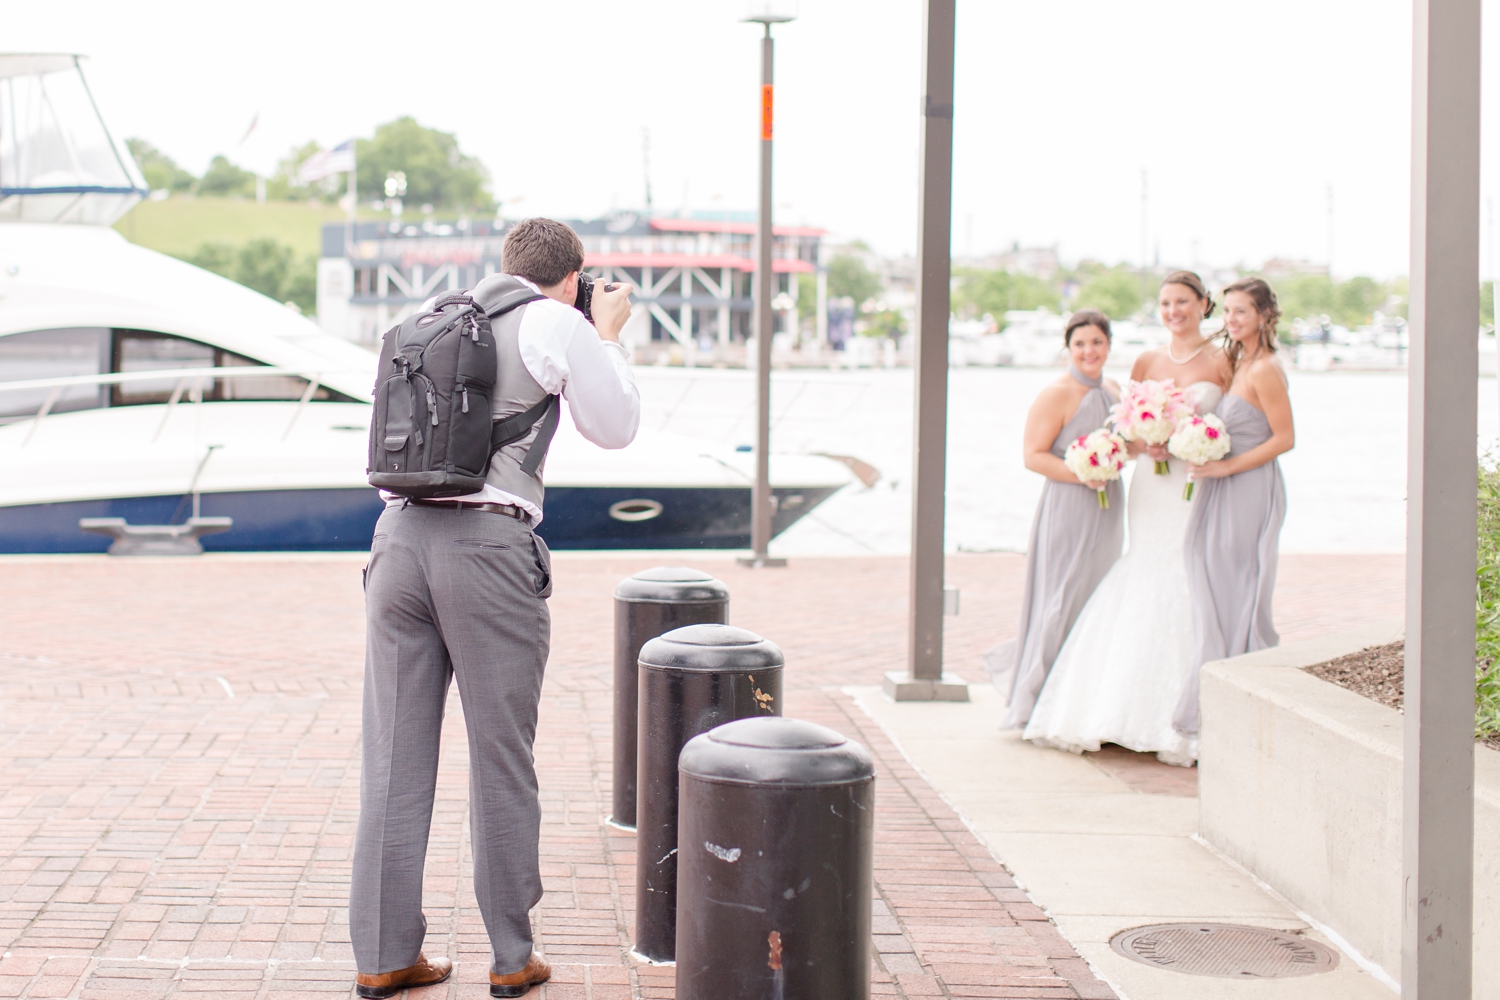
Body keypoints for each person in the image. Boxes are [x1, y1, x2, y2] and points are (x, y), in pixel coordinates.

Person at [350, 219, 639, 999]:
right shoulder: (554, 323)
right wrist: (606, 337)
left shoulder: (434, 317)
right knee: (500, 757)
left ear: (506, 265)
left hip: (398, 542)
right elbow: (614, 428)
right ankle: (512, 956)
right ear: (574, 275)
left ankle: (382, 954)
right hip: (487, 549)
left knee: (392, 759)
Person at [1015, 271, 1227, 766]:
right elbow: (1129, 427)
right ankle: (1111, 707)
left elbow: (1229, 421)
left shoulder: (1221, 360)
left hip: (1191, 484)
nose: (1173, 311)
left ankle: (1184, 712)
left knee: (1186, 573)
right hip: (1152, 486)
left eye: (1182, 302)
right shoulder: (1147, 360)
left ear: (1202, 304)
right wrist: (1143, 442)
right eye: (1165, 303)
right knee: (1142, 568)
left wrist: (1205, 446)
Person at [994, 310, 1125, 729]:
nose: (1089, 351)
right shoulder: (1056, 393)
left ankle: (1080, 698)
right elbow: (1033, 456)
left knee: (1096, 595)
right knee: (1061, 595)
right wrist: (1084, 474)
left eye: (1097, 343)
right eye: (1080, 344)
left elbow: (1127, 445)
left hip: (1109, 506)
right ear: (1068, 348)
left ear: (1109, 345)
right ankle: (1037, 699)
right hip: (1069, 504)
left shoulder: (1115, 389)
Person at [1173, 277, 1292, 735]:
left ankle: (1241, 700)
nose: (1231, 320)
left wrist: (1228, 467)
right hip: (1224, 485)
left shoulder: (1264, 369)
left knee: (1238, 584)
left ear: (1264, 315)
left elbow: (1285, 438)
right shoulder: (1239, 361)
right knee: (1215, 579)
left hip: (1248, 487)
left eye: (1241, 311)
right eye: (1226, 311)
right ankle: (1220, 697)